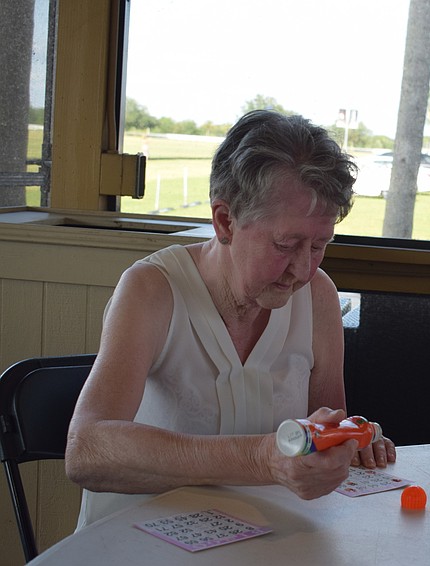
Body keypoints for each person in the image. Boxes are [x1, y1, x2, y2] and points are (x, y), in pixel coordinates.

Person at [66, 110, 396, 527]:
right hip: (138, 542)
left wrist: (349, 439)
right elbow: (86, 451)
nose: (304, 270)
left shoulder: (318, 295)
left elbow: (325, 425)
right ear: (225, 221)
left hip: (260, 540)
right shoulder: (151, 290)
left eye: (319, 245)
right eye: (286, 244)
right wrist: (263, 459)